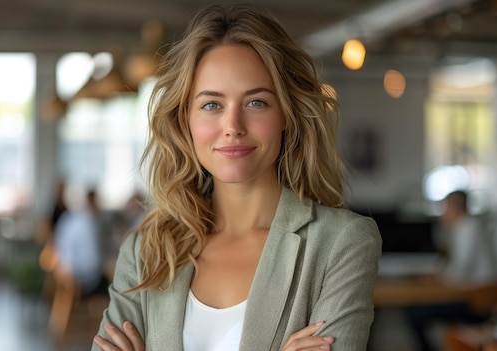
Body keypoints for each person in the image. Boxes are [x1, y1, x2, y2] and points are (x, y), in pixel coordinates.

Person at [92, 4, 382, 351]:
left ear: (286, 113)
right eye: (212, 105)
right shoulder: (146, 250)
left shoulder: (343, 243)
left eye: (256, 102)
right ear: (185, 119)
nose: (233, 127)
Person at [405, 190, 497, 351]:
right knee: (415, 310)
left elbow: (460, 271)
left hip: (476, 302)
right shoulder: (464, 228)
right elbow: (456, 265)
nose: (442, 213)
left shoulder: (470, 228)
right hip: (472, 296)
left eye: (444, 208)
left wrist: (437, 278)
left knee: (414, 314)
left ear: (453, 207)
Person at [54, 189, 107, 296]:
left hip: (65, 272)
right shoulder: (90, 223)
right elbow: (94, 260)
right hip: (84, 278)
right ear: (92, 202)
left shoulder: (67, 218)